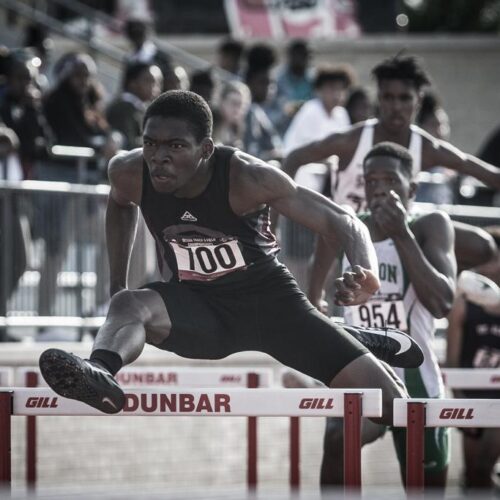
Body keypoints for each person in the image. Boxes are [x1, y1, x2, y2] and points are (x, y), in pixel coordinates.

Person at [38, 90, 421, 416]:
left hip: (273, 307)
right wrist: (117, 284)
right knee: (128, 304)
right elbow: (121, 205)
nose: (159, 158)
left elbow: (342, 219)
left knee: (394, 406)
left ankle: (341, 334)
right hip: (199, 310)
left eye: (175, 146)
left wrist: (365, 270)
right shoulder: (128, 171)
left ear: (206, 149)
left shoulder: (247, 178)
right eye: (150, 144)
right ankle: (99, 372)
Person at [307, 142, 456, 489]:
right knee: (336, 442)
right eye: (370, 181)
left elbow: (442, 303)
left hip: (419, 380)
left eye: (389, 180)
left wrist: (401, 234)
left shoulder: (430, 226)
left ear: (412, 188)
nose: (378, 190)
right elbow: (311, 302)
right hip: (361, 375)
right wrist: (326, 304)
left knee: (427, 489)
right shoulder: (345, 228)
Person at [283, 54, 499, 272]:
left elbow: (485, 173)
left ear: (418, 100)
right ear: (379, 99)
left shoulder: (425, 147)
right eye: (388, 97)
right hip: (347, 239)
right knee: (337, 229)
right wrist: (271, 226)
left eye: (404, 98)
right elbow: (293, 159)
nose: (396, 106)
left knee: (482, 246)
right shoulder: (353, 139)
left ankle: (452, 290)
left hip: (397, 236)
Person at [446, 227, 500, 490]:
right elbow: (453, 358)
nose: (489, 265)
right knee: (472, 473)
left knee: (486, 464)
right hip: (472, 394)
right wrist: (458, 398)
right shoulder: (464, 302)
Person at [106, 61, 163, 150]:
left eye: (158, 82)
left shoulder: (141, 107)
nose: (156, 87)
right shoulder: (124, 107)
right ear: (132, 83)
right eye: (149, 81)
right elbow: (129, 144)